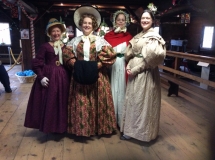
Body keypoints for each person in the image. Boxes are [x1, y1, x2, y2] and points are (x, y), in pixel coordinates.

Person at [63, 5, 117, 137]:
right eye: (84, 23)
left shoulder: (100, 41)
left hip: (98, 76)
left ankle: (100, 128)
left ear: (93, 25)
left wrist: (95, 66)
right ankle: (82, 129)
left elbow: (110, 56)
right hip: (80, 76)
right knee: (82, 103)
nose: (87, 25)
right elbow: (67, 55)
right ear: (81, 25)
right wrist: (78, 66)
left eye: (89, 23)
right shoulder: (74, 41)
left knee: (98, 101)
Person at [120, 9, 166, 142]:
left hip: (146, 74)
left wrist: (135, 69)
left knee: (144, 104)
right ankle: (130, 131)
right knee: (133, 103)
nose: (144, 20)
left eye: (147, 18)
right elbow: (131, 54)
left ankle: (143, 133)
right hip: (134, 73)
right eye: (143, 18)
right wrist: (129, 65)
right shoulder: (138, 35)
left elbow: (150, 61)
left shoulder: (154, 37)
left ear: (152, 21)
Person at [24, 18, 70, 133]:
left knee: (62, 101)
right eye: (53, 31)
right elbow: (37, 62)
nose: (56, 33)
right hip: (49, 75)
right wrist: (41, 77)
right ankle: (50, 127)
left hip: (63, 76)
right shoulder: (45, 46)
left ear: (61, 32)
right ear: (49, 33)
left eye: (58, 31)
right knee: (51, 102)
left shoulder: (65, 46)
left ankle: (61, 126)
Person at [104, 10, 132, 128]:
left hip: (124, 65)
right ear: (114, 21)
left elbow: (132, 53)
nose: (120, 22)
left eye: (122, 20)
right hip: (111, 65)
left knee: (122, 91)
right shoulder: (107, 36)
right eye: (118, 20)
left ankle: (122, 120)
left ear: (126, 21)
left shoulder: (129, 36)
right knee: (111, 90)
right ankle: (110, 120)